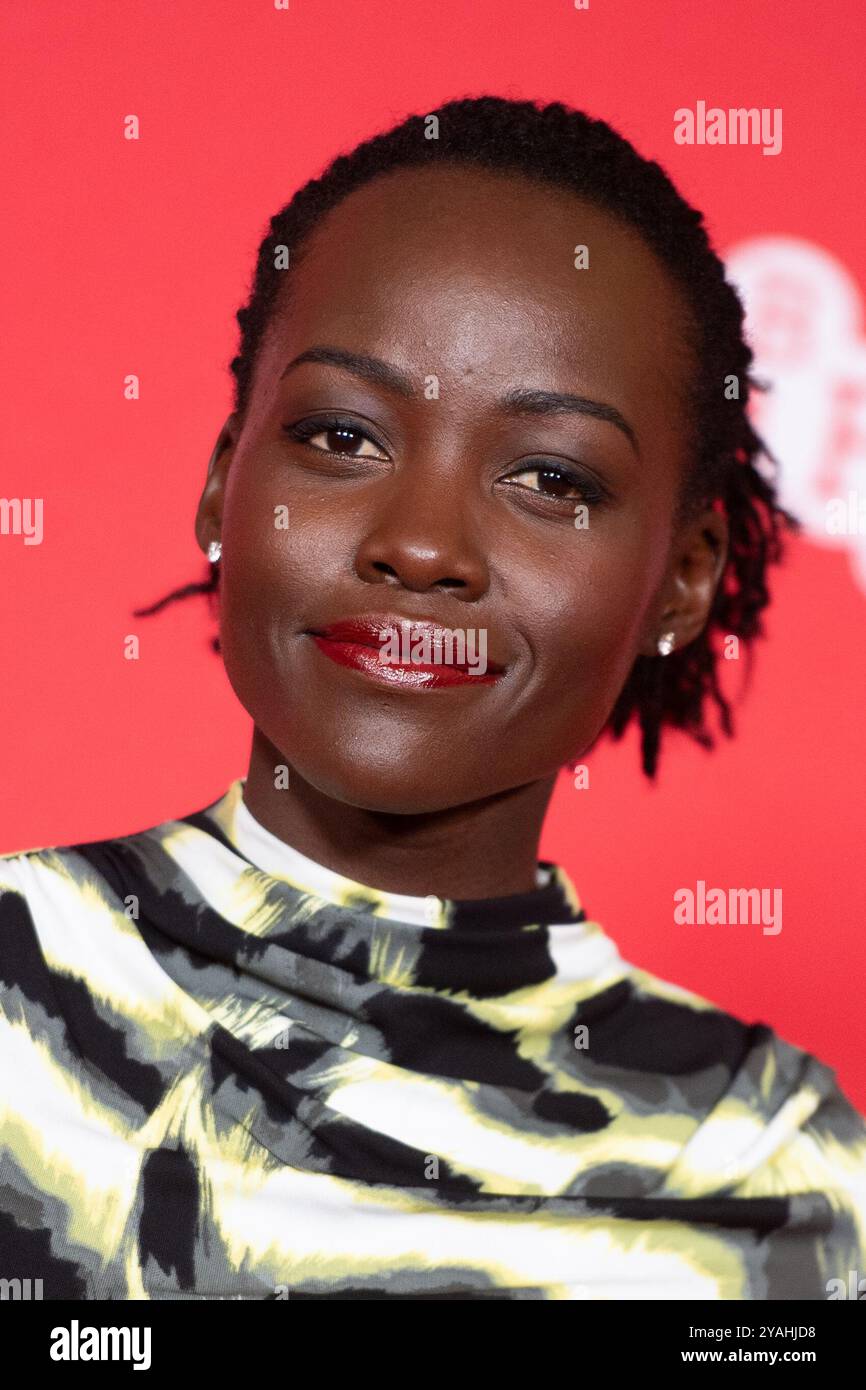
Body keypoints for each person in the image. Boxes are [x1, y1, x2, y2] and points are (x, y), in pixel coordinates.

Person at [1, 95, 864, 1301]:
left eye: (550, 476)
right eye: (342, 436)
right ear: (220, 487)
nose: (419, 543)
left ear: (681, 578)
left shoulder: (761, 1175)